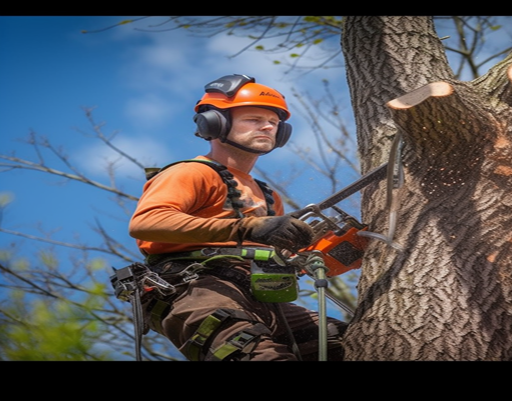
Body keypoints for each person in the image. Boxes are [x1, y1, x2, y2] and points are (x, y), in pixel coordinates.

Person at [128, 74, 348, 361]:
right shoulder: (192, 172)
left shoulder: (268, 195)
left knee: (351, 342)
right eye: (254, 119)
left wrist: (328, 249)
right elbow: (146, 223)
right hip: (198, 289)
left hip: (260, 296)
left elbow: (277, 252)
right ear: (215, 123)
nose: (268, 126)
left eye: (274, 122)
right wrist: (249, 227)